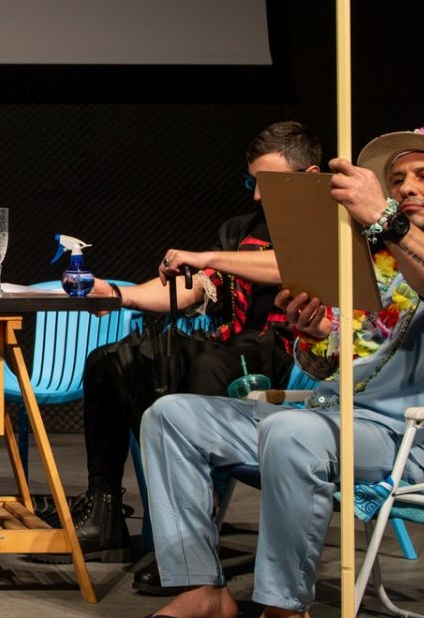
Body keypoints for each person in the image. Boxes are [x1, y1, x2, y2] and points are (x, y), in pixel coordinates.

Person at [120, 128, 424, 618]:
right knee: (172, 415)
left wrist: (386, 221)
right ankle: (200, 589)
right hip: (334, 418)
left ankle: (286, 616)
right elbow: (337, 361)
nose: (406, 187)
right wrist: (316, 334)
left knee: (293, 431)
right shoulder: (382, 272)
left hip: (412, 442)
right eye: (397, 180)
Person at [69, 121, 322, 572]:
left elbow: (292, 264)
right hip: (233, 347)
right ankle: (104, 511)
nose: (257, 196)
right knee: (109, 361)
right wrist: (119, 295)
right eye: (252, 182)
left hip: (296, 356)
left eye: (267, 183)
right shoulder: (242, 230)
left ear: (309, 176)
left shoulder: (334, 228)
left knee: (206, 366)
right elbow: (195, 287)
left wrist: (208, 256)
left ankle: (192, 542)